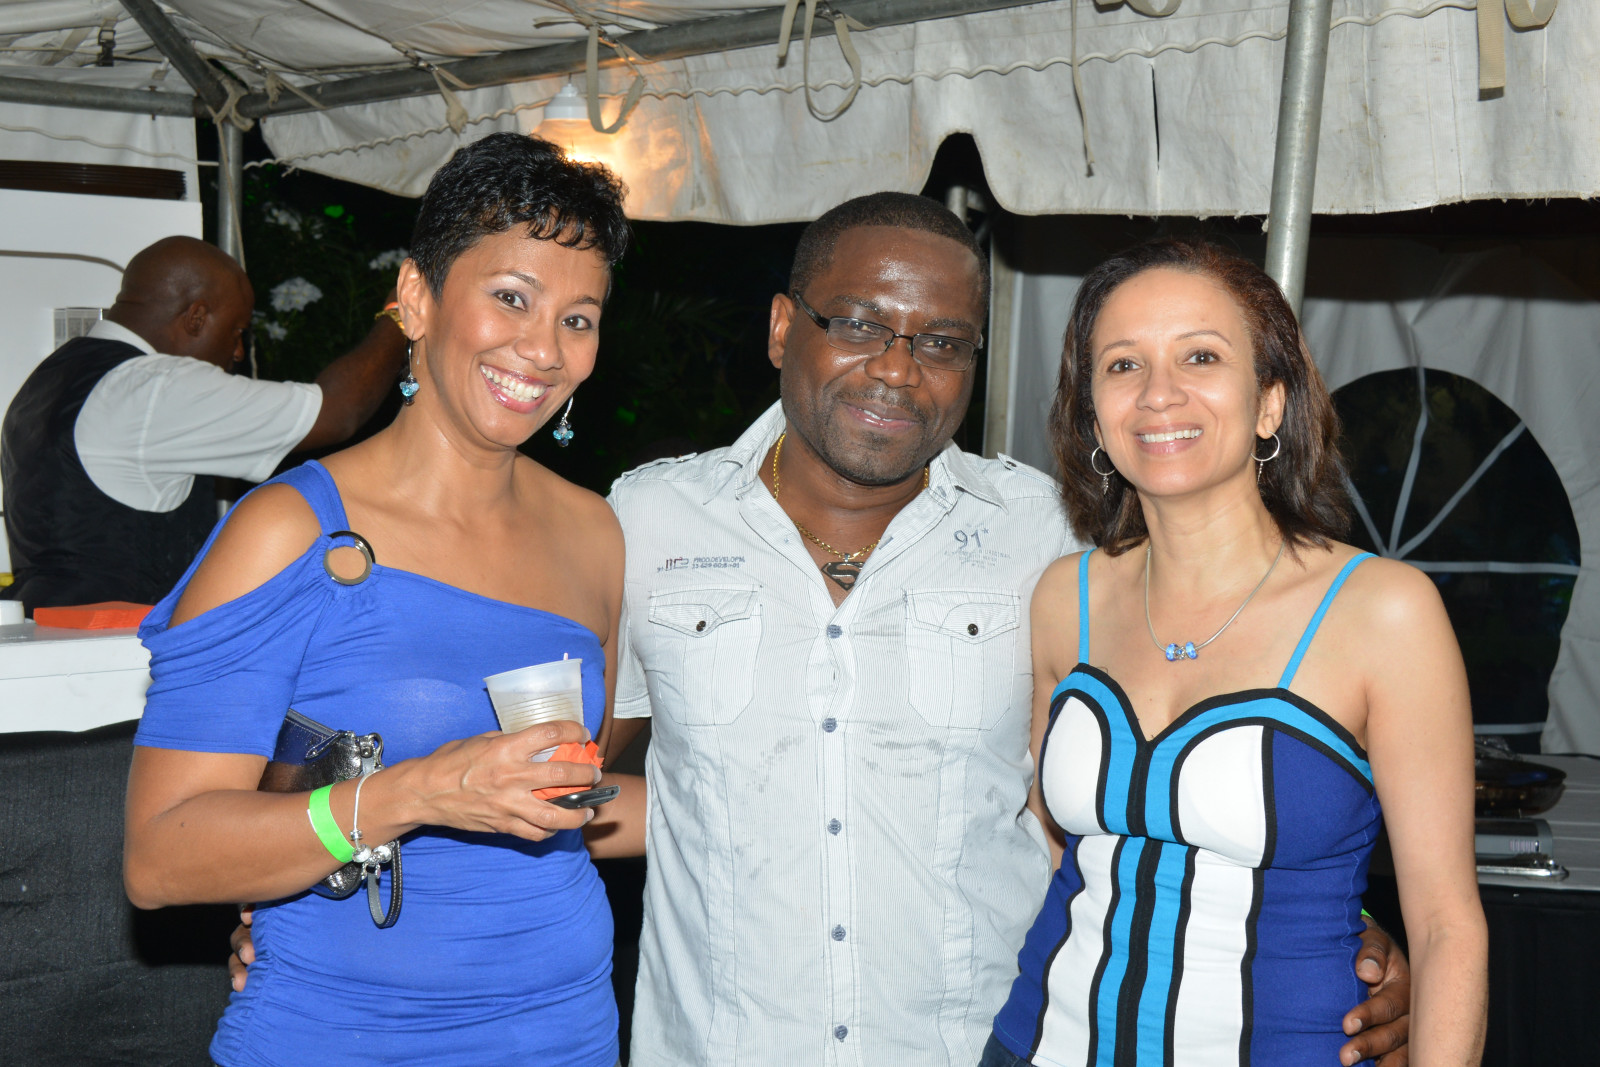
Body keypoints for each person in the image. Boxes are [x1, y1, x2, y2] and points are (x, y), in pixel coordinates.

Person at [229, 194, 1415, 1065]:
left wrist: (1334, 927)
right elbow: (556, 779)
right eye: (857, 322)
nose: (897, 367)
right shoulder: (640, 522)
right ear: (781, 327)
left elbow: (1162, 772)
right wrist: (308, 897)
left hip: (989, 1043)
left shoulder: (1054, 538)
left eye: (941, 340)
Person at [123, 132, 642, 1067]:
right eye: (511, 297)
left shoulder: (595, 533)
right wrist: (418, 791)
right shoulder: (288, 531)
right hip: (341, 1034)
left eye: (579, 317)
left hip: (564, 1030)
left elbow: (569, 799)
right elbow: (162, 856)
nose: (543, 348)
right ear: (416, 297)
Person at [983, 238, 1486, 1066]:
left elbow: (1445, 925)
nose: (1159, 393)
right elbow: (1059, 842)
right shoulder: (1064, 599)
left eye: (1201, 356)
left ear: (1270, 403)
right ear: (1094, 417)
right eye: (1122, 365)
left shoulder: (1383, 612)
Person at [1, 234, 407, 611]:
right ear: (196, 318)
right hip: (115, 646)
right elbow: (337, 412)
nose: (237, 352)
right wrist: (399, 313)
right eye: (236, 331)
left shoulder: (53, 375)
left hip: (46, 628)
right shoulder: (155, 387)